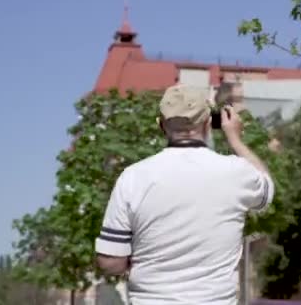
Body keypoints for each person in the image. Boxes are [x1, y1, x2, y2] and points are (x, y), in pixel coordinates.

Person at [94, 85, 274, 304]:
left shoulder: (132, 178)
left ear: (161, 126)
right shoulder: (236, 172)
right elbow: (266, 188)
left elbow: (111, 262)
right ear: (208, 124)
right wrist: (235, 139)